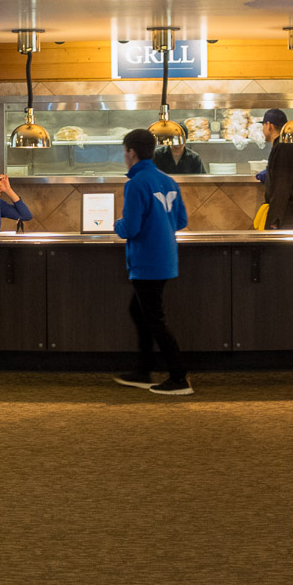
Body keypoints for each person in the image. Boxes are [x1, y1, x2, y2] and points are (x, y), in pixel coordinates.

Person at [113, 129, 192, 395]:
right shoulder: (168, 180)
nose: (125, 156)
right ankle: (143, 370)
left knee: (155, 318)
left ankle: (179, 377)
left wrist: (117, 224)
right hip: (166, 257)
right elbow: (181, 221)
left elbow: (130, 228)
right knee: (140, 312)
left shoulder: (136, 183)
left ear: (131, 152)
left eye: (125, 152)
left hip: (146, 260)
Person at [260, 125, 293, 229]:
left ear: (269, 125)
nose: (262, 129)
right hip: (285, 214)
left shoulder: (283, 146)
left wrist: (275, 219)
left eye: (263, 125)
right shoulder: (282, 145)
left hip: (284, 217)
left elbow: (282, 186)